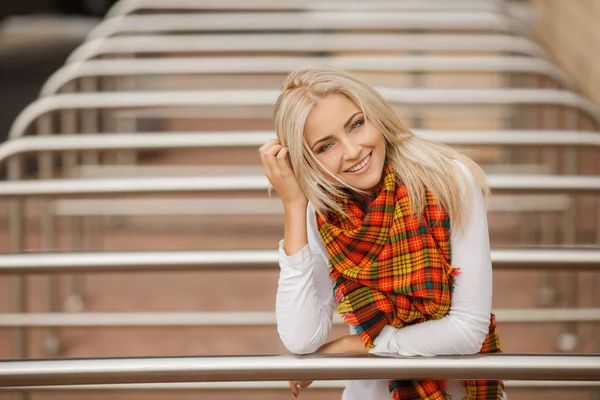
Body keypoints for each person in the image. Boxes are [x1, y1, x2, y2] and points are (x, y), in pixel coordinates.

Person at [259, 66, 505, 400]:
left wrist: (359, 345)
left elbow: (466, 332)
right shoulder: (322, 214)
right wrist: (293, 206)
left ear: (375, 115)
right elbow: (301, 339)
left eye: (357, 124)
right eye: (326, 146)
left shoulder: (448, 180)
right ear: (307, 160)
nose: (353, 151)